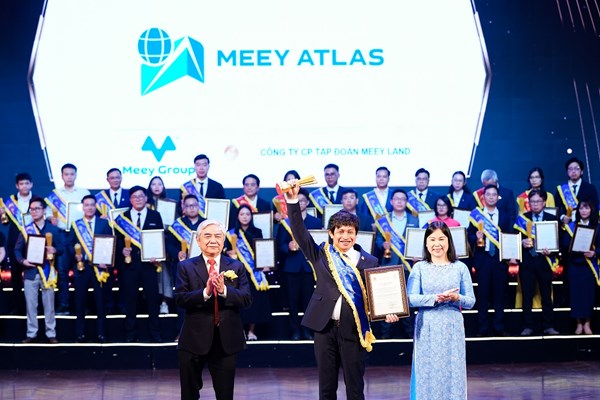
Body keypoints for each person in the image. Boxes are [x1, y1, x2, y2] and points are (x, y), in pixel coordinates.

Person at [284, 179, 398, 400]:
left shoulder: (370, 261)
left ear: (356, 234)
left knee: (355, 387)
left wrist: (388, 312)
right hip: (324, 328)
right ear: (331, 233)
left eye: (350, 232)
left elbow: (376, 296)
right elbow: (299, 231)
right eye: (340, 231)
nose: (345, 236)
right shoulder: (320, 254)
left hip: (353, 329)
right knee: (326, 388)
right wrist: (293, 200)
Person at [175, 219, 252, 400]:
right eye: (207, 236)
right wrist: (206, 292)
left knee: (225, 395)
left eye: (218, 236)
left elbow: (246, 299)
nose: (213, 240)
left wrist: (224, 291)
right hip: (194, 338)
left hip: (226, 339)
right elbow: (180, 298)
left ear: (223, 241)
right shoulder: (185, 267)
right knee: (189, 394)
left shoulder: (236, 266)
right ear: (198, 240)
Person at [406, 221, 475, 400]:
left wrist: (456, 298)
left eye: (441, 239)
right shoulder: (419, 268)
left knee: (453, 370)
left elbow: (471, 301)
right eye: (432, 239)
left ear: (449, 241)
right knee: (427, 370)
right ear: (426, 243)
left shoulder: (460, 267)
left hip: (452, 326)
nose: (437, 244)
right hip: (427, 325)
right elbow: (410, 299)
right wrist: (435, 298)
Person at [114, 186, 163, 342]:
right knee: (130, 300)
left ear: (146, 198)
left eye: (141, 196)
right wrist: (122, 250)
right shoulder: (123, 218)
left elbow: (160, 238)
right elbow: (117, 242)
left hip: (149, 265)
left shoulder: (155, 215)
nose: (138, 199)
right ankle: (131, 334)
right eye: (135, 197)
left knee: (153, 300)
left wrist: (158, 255)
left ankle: (155, 333)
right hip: (130, 266)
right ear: (130, 200)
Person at [14, 196, 64, 343]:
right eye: (32, 209)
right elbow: (17, 250)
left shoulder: (53, 229)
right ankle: (31, 333)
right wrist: (23, 261)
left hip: (47, 272)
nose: (34, 211)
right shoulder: (26, 230)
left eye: (37, 208)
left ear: (44, 210)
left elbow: (62, 248)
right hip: (30, 272)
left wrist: (55, 250)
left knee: (49, 305)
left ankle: (51, 333)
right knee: (31, 305)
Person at [468, 184, 515, 336]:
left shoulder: (505, 216)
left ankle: (499, 326)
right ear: (483, 197)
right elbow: (469, 235)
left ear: (498, 197)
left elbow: (510, 235)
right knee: (483, 295)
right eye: (488, 194)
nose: (491, 197)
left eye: (494, 194)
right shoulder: (477, 215)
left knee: (500, 294)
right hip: (483, 260)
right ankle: (482, 327)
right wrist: (476, 238)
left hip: (500, 261)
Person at [276, 188, 322, 340]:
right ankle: (295, 331)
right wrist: (288, 247)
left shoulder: (315, 222)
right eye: (298, 200)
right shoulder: (286, 222)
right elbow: (280, 245)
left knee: (309, 301)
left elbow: (321, 244)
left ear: (307, 203)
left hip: (310, 268)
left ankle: (308, 331)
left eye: (303, 201)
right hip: (291, 267)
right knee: (293, 301)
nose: (300, 203)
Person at [45, 163, 91, 315]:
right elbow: (47, 214)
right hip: (61, 235)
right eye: (66, 174)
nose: (69, 177)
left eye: (72, 174)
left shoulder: (84, 193)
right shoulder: (55, 194)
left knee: (80, 270)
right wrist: (50, 218)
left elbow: (90, 211)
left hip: (79, 234)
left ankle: (81, 305)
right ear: (62, 176)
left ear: (76, 175)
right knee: (63, 272)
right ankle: (64, 304)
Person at [513, 189, 560, 336]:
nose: (535, 204)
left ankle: (548, 325)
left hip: (545, 262)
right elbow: (514, 240)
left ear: (544, 202)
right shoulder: (522, 218)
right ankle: (527, 326)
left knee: (546, 295)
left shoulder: (552, 218)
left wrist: (552, 250)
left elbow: (559, 242)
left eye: (538, 201)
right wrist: (522, 242)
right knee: (527, 296)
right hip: (527, 263)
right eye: (532, 201)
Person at [374, 189, 419, 339]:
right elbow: (378, 240)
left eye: (402, 199)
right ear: (391, 201)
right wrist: (382, 245)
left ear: (406, 202)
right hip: (388, 265)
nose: (399, 201)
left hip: (408, 266)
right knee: (387, 302)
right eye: (396, 199)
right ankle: (385, 336)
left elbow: (418, 241)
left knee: (407, 301)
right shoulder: (384, 220)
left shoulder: (414, 220)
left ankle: (410, 336)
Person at [69, 194, 113, 342]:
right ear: (82, 207)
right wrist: (75, 255)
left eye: (92, 205)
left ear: (96, 207)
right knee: (80, 301)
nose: (89, 208)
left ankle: (102, 333)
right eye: (86, 205)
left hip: (99, 268)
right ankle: (80, 333)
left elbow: (109, 244)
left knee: (100, 301)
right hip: (82, 267)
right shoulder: (76, 225)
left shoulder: (104, 224)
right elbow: (69, 245)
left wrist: (106, 260)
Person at [225, 204, 270, 340]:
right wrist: (229, 253)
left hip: (254, 273)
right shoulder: (231, 233)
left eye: (247, 214)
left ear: (251, 216)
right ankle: (240, 330)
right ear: (237, 216)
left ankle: (251, 331)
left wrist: (265, 263)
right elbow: (224, 251)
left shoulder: (257, 232)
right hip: (236, 273)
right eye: (242, 214)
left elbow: (262, 250)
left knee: (253, 302)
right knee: (238, 302)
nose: (245, 217)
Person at [167, 194, 206, 338]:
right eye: (188, 206)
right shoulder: (177, 225)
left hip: (204, 268)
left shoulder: (207, 224)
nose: (192, 208)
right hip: (183, 269)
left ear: (199, 207)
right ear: (183, 208)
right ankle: (183, 333)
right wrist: (177, 253)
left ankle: (204, 333)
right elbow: (169, 244)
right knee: (184, 301)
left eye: (194, 205)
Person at [1, 172, 39, 314]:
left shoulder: (37, 200)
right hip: (15, 242)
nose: (24, 186)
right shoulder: (10, 202)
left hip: (34, 242)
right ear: (17, 186)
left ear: (31, 184)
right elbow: (5, 224)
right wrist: (2, 214)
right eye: (21, 184)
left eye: (27, 183)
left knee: (35, 276)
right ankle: (18, 306)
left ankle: (35, 306)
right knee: (16, 276)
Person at [560, 200, 599, 335]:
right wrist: (574, 246)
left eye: (586, 208)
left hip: (589, 265)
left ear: (591, 210)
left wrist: (595, 252)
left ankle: (587, 322)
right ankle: (578, 323)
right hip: (574, 264)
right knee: (575, 295)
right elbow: (564, 244)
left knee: (588, 295)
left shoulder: (597, 226)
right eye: (581, 208)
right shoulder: (571, 227)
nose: (584, 211)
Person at [146, 175, 174, 314]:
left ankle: (164, 302)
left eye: (159, 184)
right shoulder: (144, 205)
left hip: (165, 242)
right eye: (153, 184)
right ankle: (152, 303)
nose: (157, 187)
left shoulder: (170, 204)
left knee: (165, 274)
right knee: (151, 275)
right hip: (149, 244)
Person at [555, 157, 599, 225]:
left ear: (581, 171)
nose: (573, 171)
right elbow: (556, 207)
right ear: (567, 172)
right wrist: (562, 217)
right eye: (570, 169)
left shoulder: (590, 188)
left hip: (586, 225)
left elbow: (595, 208)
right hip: (567, 226)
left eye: (576, 168)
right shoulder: (561, 189)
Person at [180, 154, 226, 218]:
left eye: (204, 165)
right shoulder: (186, 187)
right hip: (191, 222)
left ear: (208, 167)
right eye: (198, 165)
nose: (201, 168)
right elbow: (180, 209)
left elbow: (222, 208)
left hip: (211, 222)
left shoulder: (218, 186)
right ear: (194, 167)